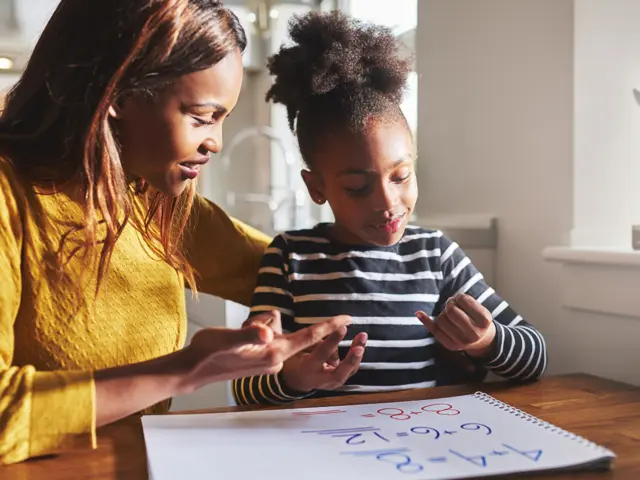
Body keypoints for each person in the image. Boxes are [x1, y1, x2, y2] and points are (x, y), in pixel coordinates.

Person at [0, 0, 354, 465]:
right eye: (201, 116)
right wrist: (187, 369)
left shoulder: (155, 201)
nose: (216, 143)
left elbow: (300, 274)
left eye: (222, 119)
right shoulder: (11, 198)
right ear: (121, 96)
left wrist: (470, 330)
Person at [233, 11, 548, 406]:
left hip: (418, 446)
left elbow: (535, 356)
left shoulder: (435, 255)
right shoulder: (289, 257)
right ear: (317, 187)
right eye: (358, 187)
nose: (387, 203)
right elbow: (244, 383)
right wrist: (292, 378)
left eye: (401, 177)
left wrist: (487, 341)